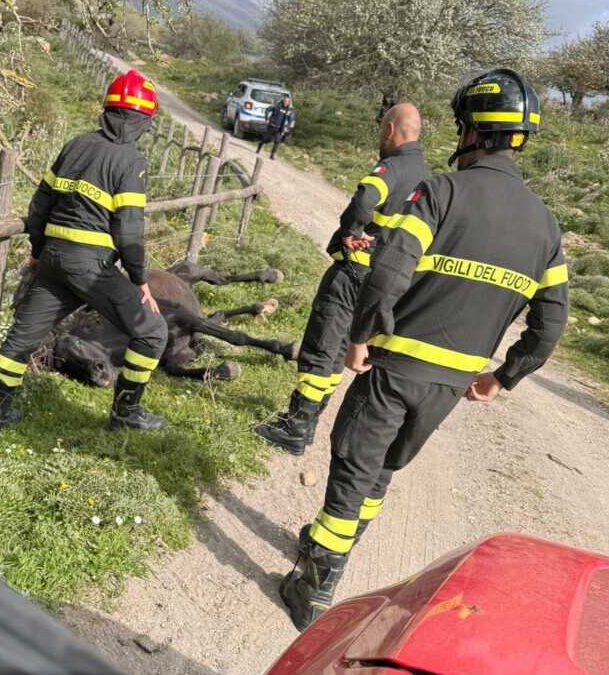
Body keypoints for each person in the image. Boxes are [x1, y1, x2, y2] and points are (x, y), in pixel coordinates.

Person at [280, 69, 569, 631]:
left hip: (395, 365)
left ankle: (314, 584)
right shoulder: (546, 226)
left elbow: (388, 272)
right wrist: (503, 377)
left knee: (354, 465)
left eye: (462, 127)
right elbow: (550, 325)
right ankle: (328, 541)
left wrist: (361, 335)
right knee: (384, 468)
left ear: (474, 132)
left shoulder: (442, 191)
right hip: (449, 385)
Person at [0, 70, 169, 435]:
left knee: (21, 338)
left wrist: (37, 252)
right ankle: (126, 412)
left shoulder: (76, 145)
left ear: (108, 110)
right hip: (91, 266)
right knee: (153, 332)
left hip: (52, 260)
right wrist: (140, 280)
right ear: (143, 120)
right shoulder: (131, 162)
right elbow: (130, 231)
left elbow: (39, 205)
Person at [254, 103, 429, 456]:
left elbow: (367, 196)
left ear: (391, 130)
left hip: (352, 273)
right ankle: (311, 418)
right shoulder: (428, 176)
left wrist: (352, 230)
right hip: (382, 279)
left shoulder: (393, 167)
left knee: (323, 344)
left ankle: (296, 425)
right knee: (338, 352)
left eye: (384, 129)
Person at [256, 95, 295, 159]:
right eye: (285, 101)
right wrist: (267, 118)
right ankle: (260, 146)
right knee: (266, 140)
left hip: (280, 128)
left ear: (289, 102)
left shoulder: (289, 110)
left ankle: (272, 155)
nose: (286, 102)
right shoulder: (277, 106)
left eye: (287, 101)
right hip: (272, 126)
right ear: (283, 101)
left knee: (277, 141)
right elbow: (267, 109)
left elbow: (290, 120)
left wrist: (287, 127)